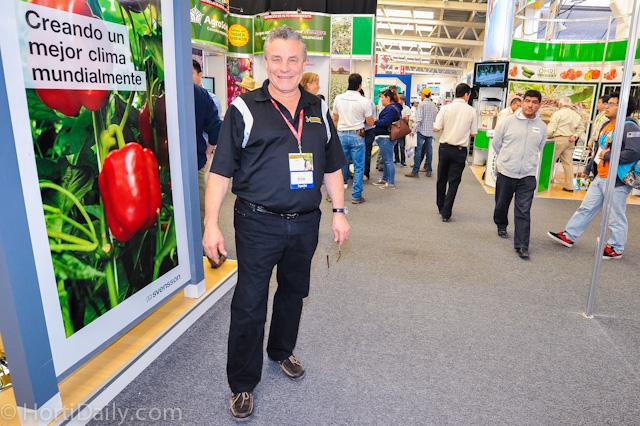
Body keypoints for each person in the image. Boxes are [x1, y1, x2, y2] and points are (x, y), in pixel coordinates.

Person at [203, 26, 350, 420]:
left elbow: (332, 166)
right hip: (257, 222)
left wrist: (339, 212)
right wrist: (211, 224)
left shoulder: (319, 108)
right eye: (276, 59)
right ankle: (242, 383)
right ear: (265, 62)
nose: (285, 68)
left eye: (292, 59)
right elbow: (220, 171)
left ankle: (281, 350)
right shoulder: (243, 108)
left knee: (293, 292)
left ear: (304, 63)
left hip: (305, 223)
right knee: (250, 302)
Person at [548, 93, 640, 260]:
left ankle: (616, 247)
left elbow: (634, 152)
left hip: (616, 180)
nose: (607, 106)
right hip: (600, 177)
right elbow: (599, 149)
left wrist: (608, 155)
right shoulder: (606, 124)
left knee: (615, 215)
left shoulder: (629, 126)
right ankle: (569, 235)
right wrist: (589, 167)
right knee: (586, 208)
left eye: (612, 104)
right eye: (607, 103)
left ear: (623, 107)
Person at [492, 90, 547, 260]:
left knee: (524, 210)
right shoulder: (507, 122)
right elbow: (496, 143)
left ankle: (522, 245)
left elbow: (540, 148)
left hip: (527, 175)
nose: (530, 105)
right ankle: (501, 224)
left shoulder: (542, 127)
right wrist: (506, 160)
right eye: (527, 101)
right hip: (506, 172)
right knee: (501, 205)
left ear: (539, 105)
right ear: (522, 102)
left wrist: (528, 163)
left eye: (534, 102)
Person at [433, 83, 478, 222]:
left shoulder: (445, 108)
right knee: (454, 182)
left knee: (441, 178)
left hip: (444, 148)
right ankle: (446, 213)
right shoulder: (472, 111)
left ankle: (440, 206)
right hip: (460, 151)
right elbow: (473, 133)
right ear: (466, 95)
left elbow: (436, 127)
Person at [332, 73, 374, 204]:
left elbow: (335, 118)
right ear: (360, 85)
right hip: (357, 135)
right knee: (359, 166)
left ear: (348, 83)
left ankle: (336, 194)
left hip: (341, 134)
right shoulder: (365, 101)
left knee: (340, 165)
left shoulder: (338, 98)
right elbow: (370, 122)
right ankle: (356, 196)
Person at [192, 60, 222, 234]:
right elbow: (215, 127)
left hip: (195, 159)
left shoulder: (202, 95)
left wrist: (209, 150)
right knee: (200, 203)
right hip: (197, 158)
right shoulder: (202, 95)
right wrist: (209, 150)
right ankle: (204, 238)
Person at [547, 97, 586, 192]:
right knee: (568, 164)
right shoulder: (576, 115)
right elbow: (581, 128)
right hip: (570, 140)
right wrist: (575, 136)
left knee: (549, 161)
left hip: (558, 139)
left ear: (560, 104)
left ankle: (545, 183)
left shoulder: (558, 113)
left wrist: (547, 136)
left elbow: (551, 128)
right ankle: (570, 186)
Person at [406, 87, 438, 178]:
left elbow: (419, 119)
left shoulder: (421, 104)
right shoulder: (434, 105)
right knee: (429, 152)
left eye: (421, 95)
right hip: (430, 132)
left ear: (424, 95)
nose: (421, 96)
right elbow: (435, 119)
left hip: (421, 131)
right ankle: (429, 170)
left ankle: (415, 171)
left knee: (418, 152)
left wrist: (413, 130)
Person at [373, 89, 402, 189]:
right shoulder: (393, 107)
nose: (381, 100)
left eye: (382, 97)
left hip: (386, 137)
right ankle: (385, 179)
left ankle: (390, 183)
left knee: (388, 160)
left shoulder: (390, 109)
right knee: (386, 160)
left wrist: (374, 122)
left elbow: (386, 122)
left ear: (388, 98)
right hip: (386, 137)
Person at [360, 88, 377, 182]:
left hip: (368, 130)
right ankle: (356, 172)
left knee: (367, 152)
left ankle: (366, 173)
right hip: (358, 130)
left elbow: (370, 121)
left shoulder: (368, 103)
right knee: (356, 152)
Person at [393, 94, 411, 166]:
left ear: (403, 100)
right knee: (395, 144)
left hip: (402, 128)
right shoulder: (394, 107)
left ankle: (403, 161)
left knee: (402, 145)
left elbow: (407, 119)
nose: (398, 101)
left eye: (400, 100)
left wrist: (403, 118)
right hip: (395, 127)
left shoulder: (406, 108)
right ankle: (396, 159)